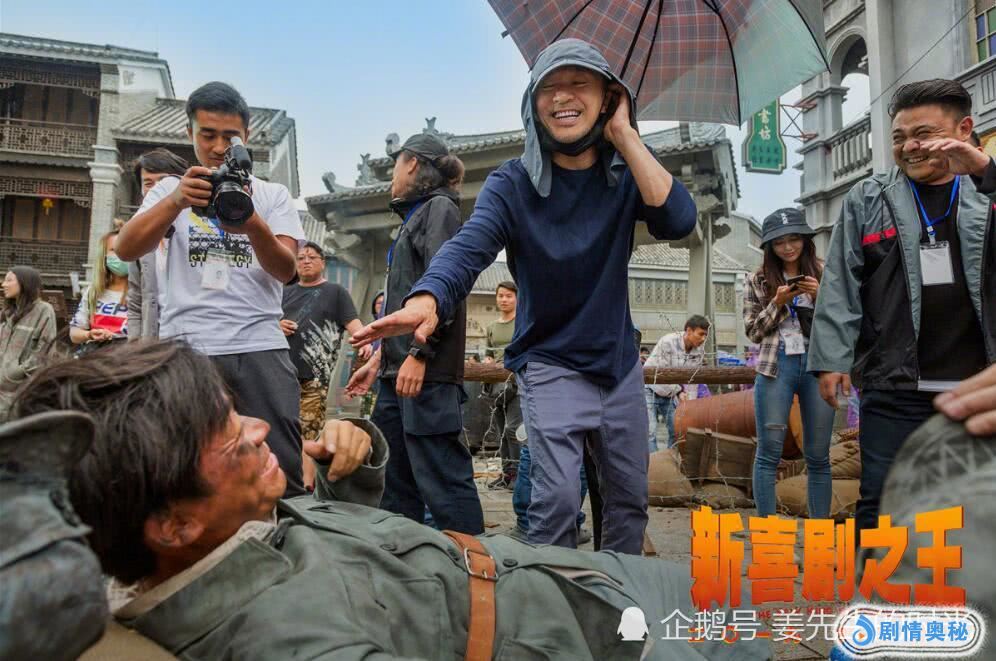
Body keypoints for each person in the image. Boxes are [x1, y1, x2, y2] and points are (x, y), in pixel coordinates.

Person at [8, 340, 769, 661]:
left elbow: (361, 565)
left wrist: (352, 470)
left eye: (234, 409)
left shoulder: (222, 533)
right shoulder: (284, 640)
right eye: (231, 437)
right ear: (173, 522)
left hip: (565, 578)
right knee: (758, 623)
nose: (257, 428)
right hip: (578, 633)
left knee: (762, 590)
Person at [352, 39, 697, 554]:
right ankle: (554, 594)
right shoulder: (512, 183)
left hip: (618, 364)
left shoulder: (626, 176)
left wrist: (625, 134)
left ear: (609, 98)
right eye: (549, 87)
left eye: (579, 84)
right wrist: (429, 297)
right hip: (550, 361)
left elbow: (679, 220)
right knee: (556, 500)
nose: (563, 96)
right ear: (532, 104)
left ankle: (619, 595)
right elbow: (470, 244)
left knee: (627, 501)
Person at [809, 79, 996, 534]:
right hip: (894, 384)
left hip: (981, 388)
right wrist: (832, 359)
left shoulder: (986, 189)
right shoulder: (867, 198)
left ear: (963, 129)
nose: (909, 146)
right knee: (883, 500)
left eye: (923, 134)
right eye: (899, 137)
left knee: (975, 509)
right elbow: (841, 281)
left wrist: (987, 173)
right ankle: (877, 582)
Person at [115, 81, 307, 495]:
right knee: (184, 464)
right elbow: (126, 248)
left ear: (246, 136)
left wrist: (252, 223)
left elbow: (286, 270)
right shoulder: (170, 189)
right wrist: (176, 202)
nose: (219, 147)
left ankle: (289, 532)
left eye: (230, 136)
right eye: (208, 135)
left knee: (281, 465)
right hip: (188, 347)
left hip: (260, 344)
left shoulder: (273, 195)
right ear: (189, 133)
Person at [345, 133, 483, 535]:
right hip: (395, 374)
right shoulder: (413, 218)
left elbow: (446, 289)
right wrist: (379, 359)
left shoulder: (440, 209)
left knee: (442, 480)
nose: (392, 175)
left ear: (411, 163)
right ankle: (404, 558)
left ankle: (474, 562)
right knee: (394, 481)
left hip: (427, 373)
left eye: (395, 165)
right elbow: (405, 306)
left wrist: (420, 353)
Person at [744, 209, 833, 520]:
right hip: (776, 364)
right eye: (779, 242)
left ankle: (819, 534)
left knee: (819, 455)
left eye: (794, 239)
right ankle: (766, 532)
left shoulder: (825, 272)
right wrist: (778, 303)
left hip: (818, 364)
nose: (788, 247)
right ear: (770, 247)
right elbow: (753, 332)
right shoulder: (757, 278)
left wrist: (821, 296)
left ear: (805, 240)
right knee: (768, 453)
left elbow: (842, 322)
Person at [281, 240, 371, 490]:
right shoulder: (284, 292)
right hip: (281, 373)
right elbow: (264, 323)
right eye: (300, 258)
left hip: (314, 377)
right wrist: (277, 325)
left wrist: (365, 342)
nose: (306, 261)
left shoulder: (335, 292)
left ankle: (306, 487)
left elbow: (354, 324)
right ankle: (285, 482)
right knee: (282, 428)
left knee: (309, 430)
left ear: (322, 263)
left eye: (312, 257)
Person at [126, 148, 189, 340]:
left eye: (163, 181)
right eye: (148, 183)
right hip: (155, 343)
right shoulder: (139, 239)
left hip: (196, 340)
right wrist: (135, 345)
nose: (156, 189)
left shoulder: (201, 229)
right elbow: (136, 301)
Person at [644, 316, 709, 451]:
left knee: (677, 430)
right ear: (689, 331)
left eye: (706, 335)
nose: (703, 338)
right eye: (700, 334)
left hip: (671, 392)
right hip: (650, 388)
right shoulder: (668, 342)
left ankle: (670, 459)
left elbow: (692, 381)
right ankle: (653, 462)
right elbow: (663, 374)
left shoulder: (699, 352)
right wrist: (679, 392)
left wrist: (689, 405)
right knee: (650, 432)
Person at [0, 266, 56, 418]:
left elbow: (45, 351)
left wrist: (15, 372)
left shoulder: (44, 310)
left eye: (9, 280)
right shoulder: (7, 312)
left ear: (25, 283)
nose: (3, 284)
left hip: (20, 392)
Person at [485, 280, 522, 489]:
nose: (504, 299)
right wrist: (487, 361)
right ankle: (506, 474)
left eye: (509, 296)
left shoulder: (522, 323)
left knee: (513, 429)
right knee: (501, 432)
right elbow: (488, 353)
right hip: (497, 387)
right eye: (500, 295)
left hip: (518, 383)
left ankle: (518, 475)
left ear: (517, 298)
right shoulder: (491, 327)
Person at [70, 230, 129, 353]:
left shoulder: (143, 293)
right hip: (95, 358)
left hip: (130, 358)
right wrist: (89, 335)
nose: (121, 255)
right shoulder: (93, 291)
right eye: (113, 250)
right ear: (104, 255)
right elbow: (74, 333)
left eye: (125, 249)